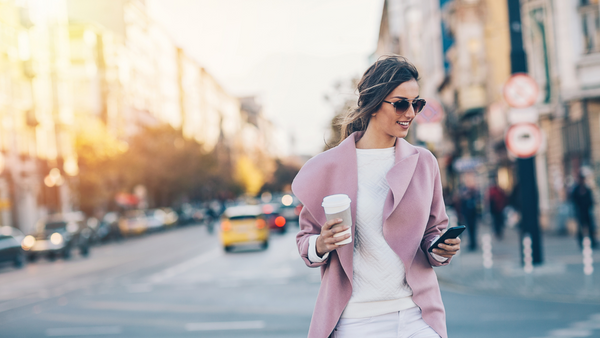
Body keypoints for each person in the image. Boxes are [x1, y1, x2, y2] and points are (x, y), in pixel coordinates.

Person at [292, 56, 460, 338]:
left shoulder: (424, 162)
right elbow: (306, 241)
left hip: (416, 316)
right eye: (401, 103)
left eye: (416, 103)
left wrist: (440, 248)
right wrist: (321, 243)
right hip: (357, 321)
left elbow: (434, 231)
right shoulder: (327, 167)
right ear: (373, 103)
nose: (410, 112)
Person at [570, 173, 597, 249]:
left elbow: (591, 200)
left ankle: (593, 243)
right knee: (580, 229)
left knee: (590, 227)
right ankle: (580, 243)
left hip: (587, 211)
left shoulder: (587, 189)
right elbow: (573, 200)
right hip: (580, 212)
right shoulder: (576, 189)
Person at [459, 184, 479, 251]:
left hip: (473, 218)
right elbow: (463, 210)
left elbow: (476, 209)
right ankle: (472, 244)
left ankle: (473, 244)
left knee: (473, 232)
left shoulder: (472, 200)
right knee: (470, 232)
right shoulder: (464, 201)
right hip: (468, 218)